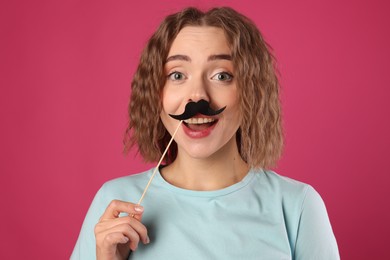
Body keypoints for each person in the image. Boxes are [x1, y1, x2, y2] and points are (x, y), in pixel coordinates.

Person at [71, 6, 339, 260]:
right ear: (155, 93)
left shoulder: (297, 206)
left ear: (252, 92)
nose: (197, 95)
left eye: (222, 76)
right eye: (177, 75)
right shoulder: (115, 204)